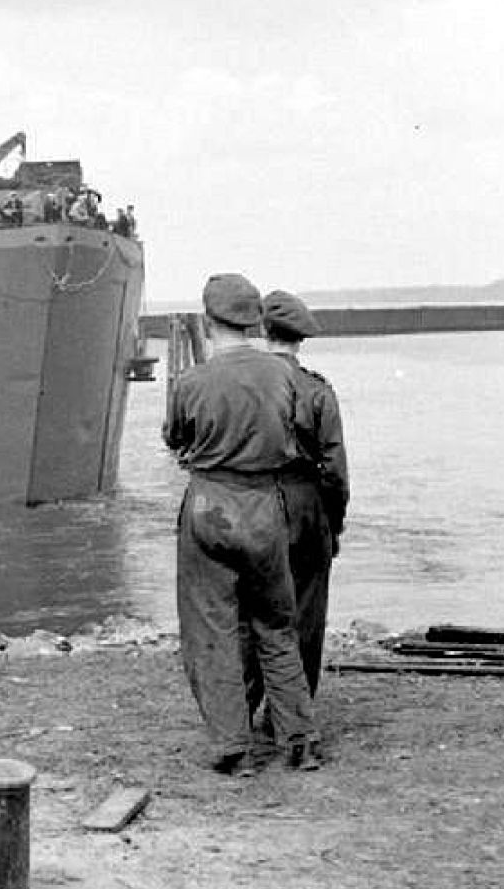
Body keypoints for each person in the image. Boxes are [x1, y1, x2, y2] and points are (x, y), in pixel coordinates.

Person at [162, 273, 320, 775]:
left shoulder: (191, 381)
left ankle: (234, 746)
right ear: (255, 322)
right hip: (266, 508)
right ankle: (299, 738)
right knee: (277, 624)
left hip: (209, 505)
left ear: (208, 322)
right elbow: (306, 436)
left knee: (213, 628)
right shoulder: (286, 377)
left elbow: (175, 437)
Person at [242, 291, 349, 706]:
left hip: (250, 504)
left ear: (264, 330)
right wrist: (333, 525)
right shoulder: (317, 391)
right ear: (300, 338)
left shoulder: (243, 386)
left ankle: (242, 708)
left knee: (251, 613)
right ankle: (289, 715)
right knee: (304, 615)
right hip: (305, 507)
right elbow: (336, 471)